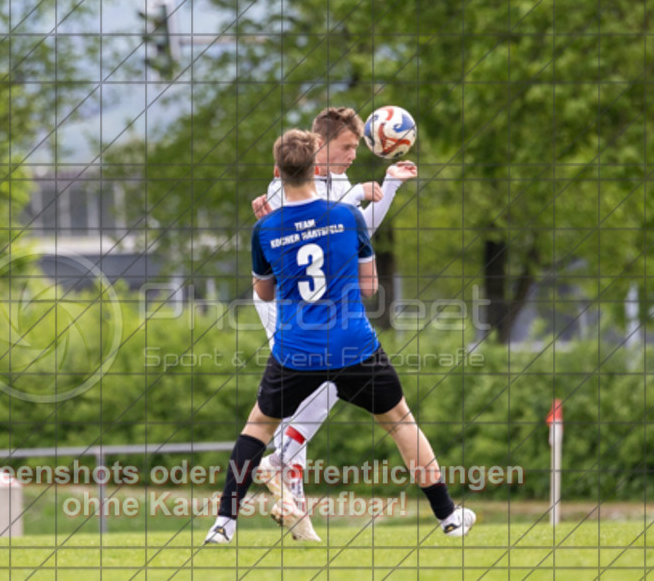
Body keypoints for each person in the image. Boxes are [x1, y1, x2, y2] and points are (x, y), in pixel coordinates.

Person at [203, 129, 475, 545]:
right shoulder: (347, 216)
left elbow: (264, 291)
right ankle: (448, 517)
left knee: (256, 430)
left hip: (297, 349)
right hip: (353, 344)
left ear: (278, 171)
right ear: (316, 169)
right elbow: (369, 287)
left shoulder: (265, 229)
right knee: (401, 424)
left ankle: (223, 525)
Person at [250, 107, 414, 541]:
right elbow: (308, 228)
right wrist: (358, 193)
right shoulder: (285, 181)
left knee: (317, 391)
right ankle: (278, 464)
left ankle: (291, 494)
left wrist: (391, 185)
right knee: (318, 386)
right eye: (346, 147)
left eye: (358, 147)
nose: (353, 155)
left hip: (323, 304)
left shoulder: (341, 186)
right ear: (319, 144)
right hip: (289, 302)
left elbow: (356, 230)